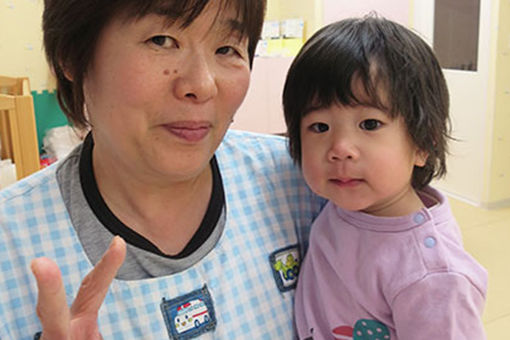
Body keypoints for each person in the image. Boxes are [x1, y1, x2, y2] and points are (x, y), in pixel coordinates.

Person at [0, 0, 324, 339]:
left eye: (227, 48)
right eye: (162, 41)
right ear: (72, 55)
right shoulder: (10, 244)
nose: (202, 85)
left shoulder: (307, 185)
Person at [282, 15, 488, 340]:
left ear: (423, 142)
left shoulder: (431, 277)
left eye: (370, 124)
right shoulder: (344, 204)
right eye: (319, 127)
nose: (340, 149)